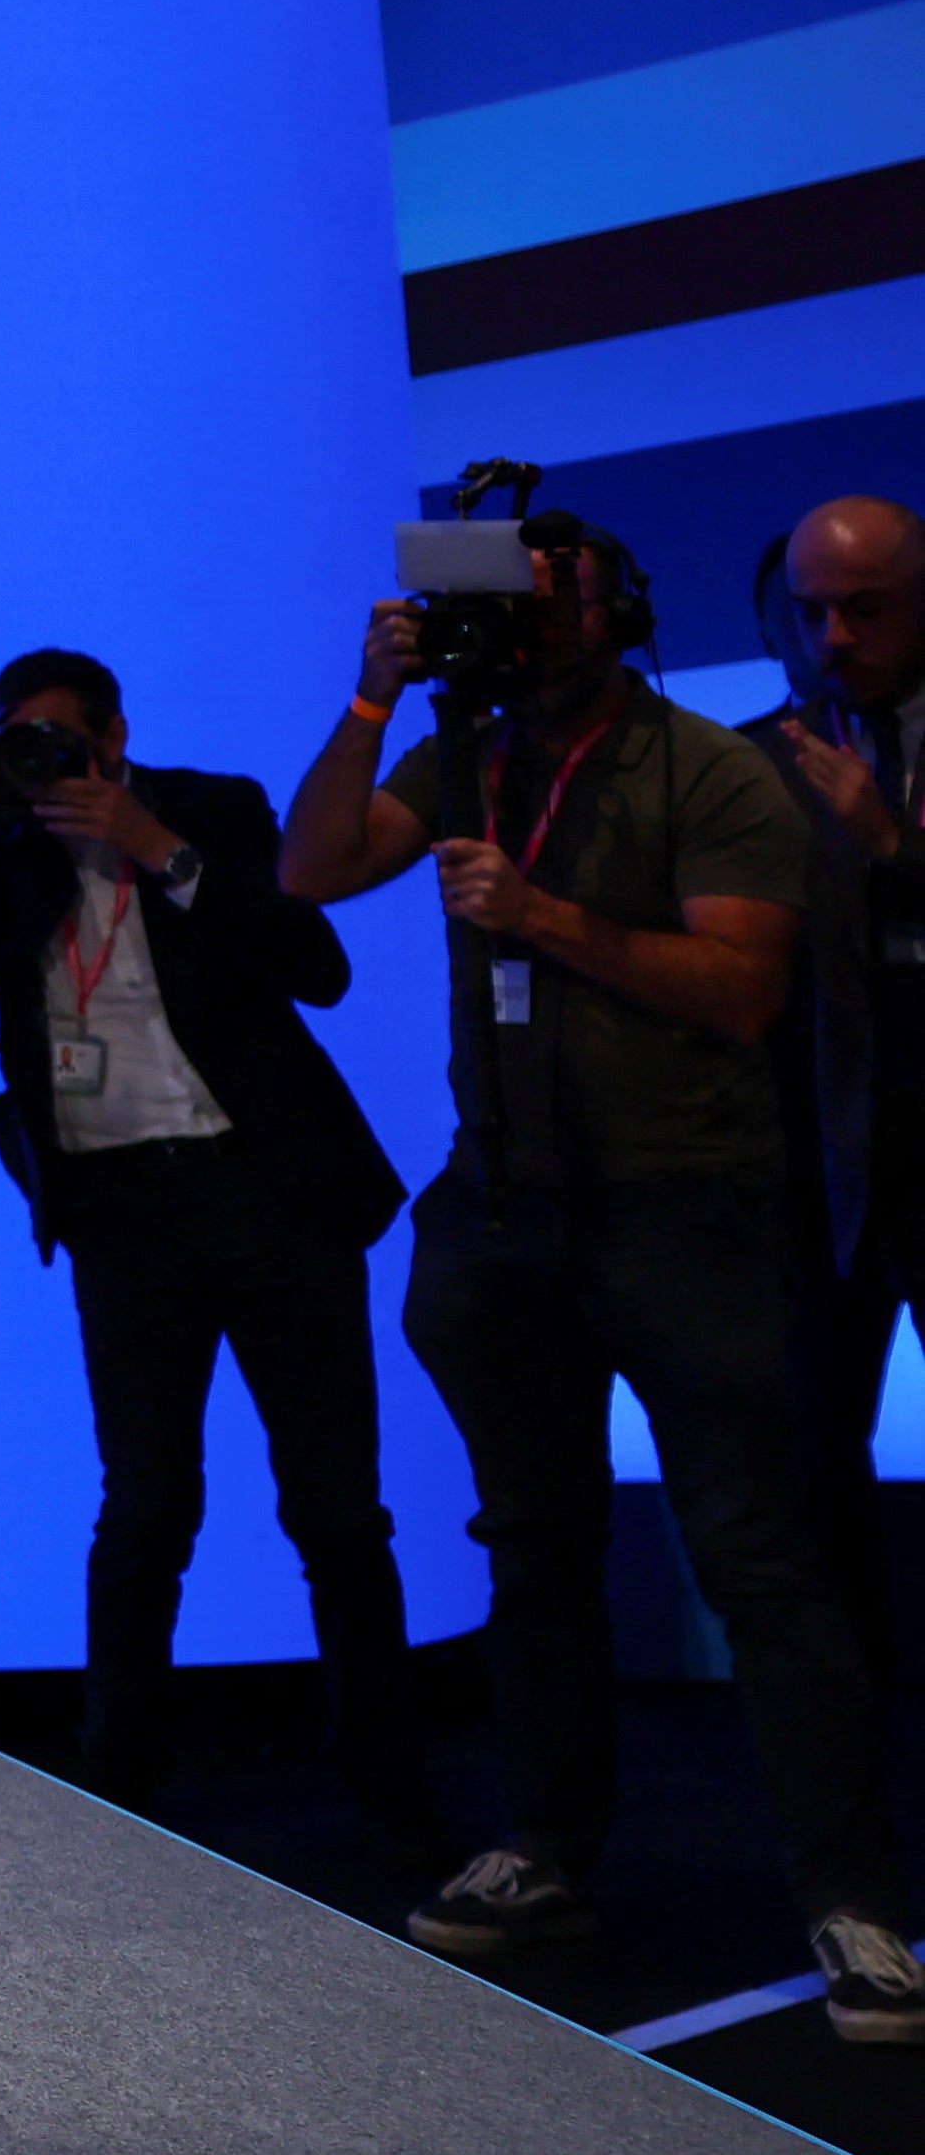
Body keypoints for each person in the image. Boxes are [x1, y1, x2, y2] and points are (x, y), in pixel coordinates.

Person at [279, 524, 925, 2036]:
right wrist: (372, 700)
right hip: (507, 1207)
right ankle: (549, 1852)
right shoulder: (465, 753)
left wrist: (542, 916)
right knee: (533, 1549)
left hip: (684, 1207)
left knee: (760, 1558)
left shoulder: (710, 767)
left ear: (616, 611)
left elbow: (742, 983)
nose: (513, 632)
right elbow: (311, 867)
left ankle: (852, 1897)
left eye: (541, 603)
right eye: (488, 608)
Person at [0, 646, 419, 1832]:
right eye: (13, 739)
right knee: (142, 1507)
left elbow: (316, 967)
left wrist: (150, 843)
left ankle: (385, 1774)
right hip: (121, 1218)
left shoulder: (211, 809)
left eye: (59, 741)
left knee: (336, 1510)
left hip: (266, 1193)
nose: (41, 763)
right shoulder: (1, 854)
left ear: (113, 737)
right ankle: (117, 1778)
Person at [748, 493, 925, 1674]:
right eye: (809, 614)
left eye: (864, 611)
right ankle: (857, 1737)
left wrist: (895, 852)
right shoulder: (756, 762)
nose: (833, 641)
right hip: (815, 1167)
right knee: (812, 1465)